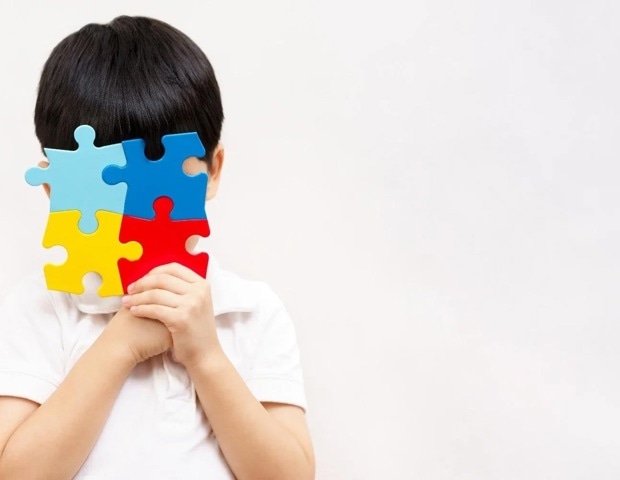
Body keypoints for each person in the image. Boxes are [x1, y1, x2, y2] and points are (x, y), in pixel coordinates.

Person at [0, 16, 314, 480]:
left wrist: (205, 356)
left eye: (157, 184)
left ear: (212, 171)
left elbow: (290, 475)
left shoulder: (249, 313)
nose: (137, 213)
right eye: (110, 187)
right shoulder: (41, 309)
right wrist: (120, 345)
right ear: (58, 190)